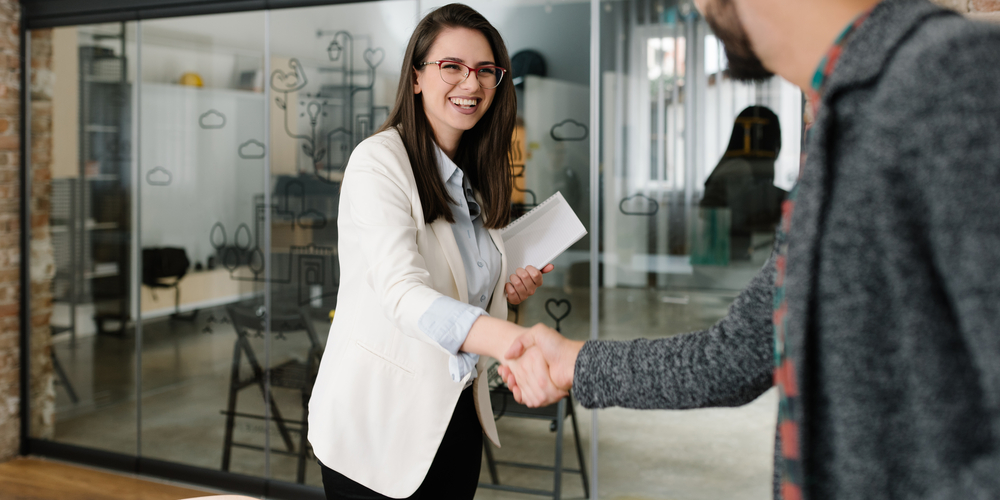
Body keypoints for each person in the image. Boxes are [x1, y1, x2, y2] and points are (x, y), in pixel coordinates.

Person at [500, 0, 1000, 499]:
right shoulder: (838, 122)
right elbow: (734, 358)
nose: (698, 6)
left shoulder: (956, 77)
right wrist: (575, 361)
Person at [307, 4, 562, 499]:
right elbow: (403, 294)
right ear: (417, 77)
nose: (471, 83)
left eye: (486, 70)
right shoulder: (378, 161)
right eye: (451, 67)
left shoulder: (476, 177)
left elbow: (460, 286)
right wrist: (512, 341)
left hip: (453, 415)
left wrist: (505, 288)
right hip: (377, 426)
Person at [700, 105, 787, 260]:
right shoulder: (738, 168)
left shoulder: (738, 165)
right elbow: (744, 213)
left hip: (731, 256)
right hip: (725, 260)